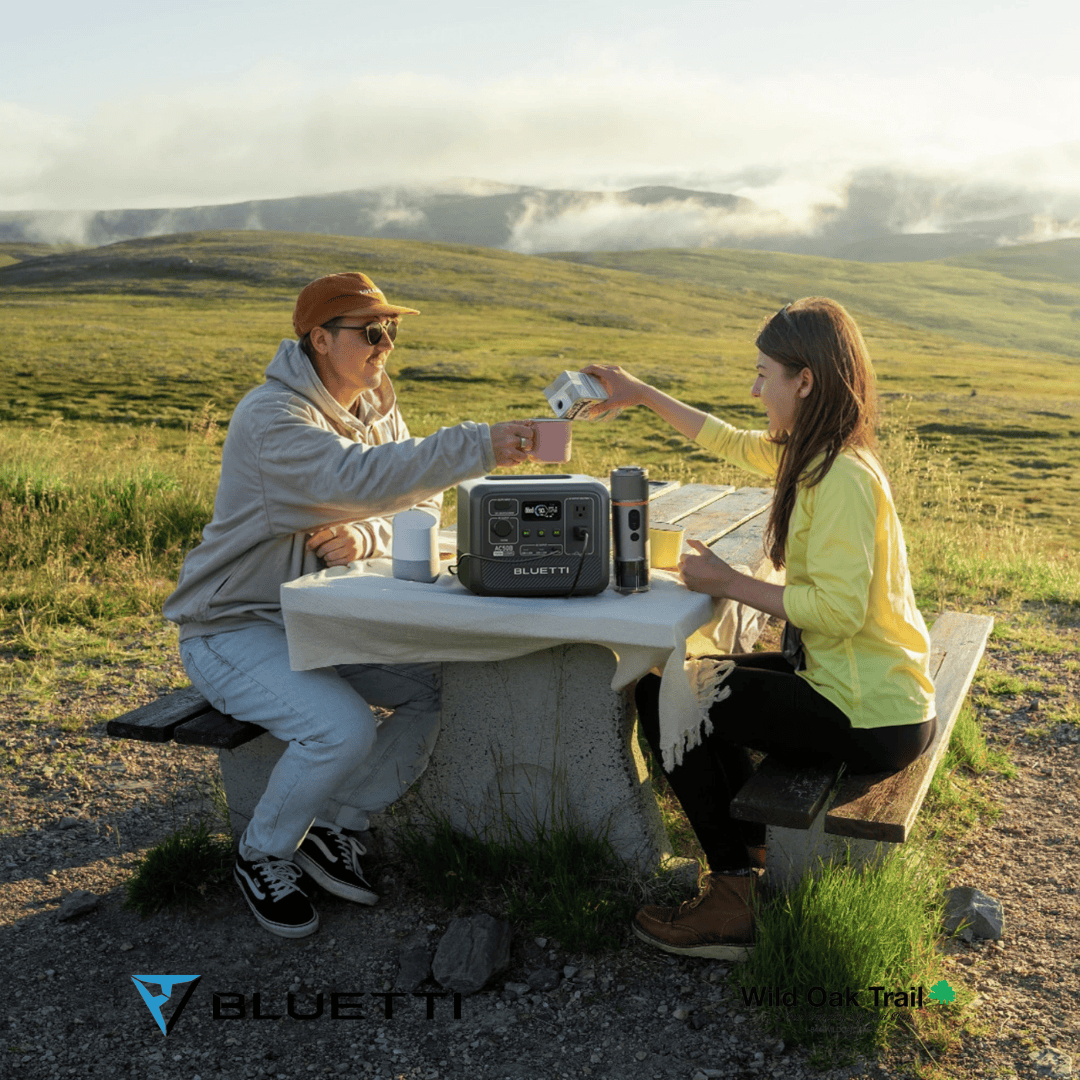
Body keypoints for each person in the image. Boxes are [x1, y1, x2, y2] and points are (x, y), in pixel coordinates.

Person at [164, 272, 537, 938]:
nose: (385, 345)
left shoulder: (374, 406)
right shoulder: (272, 418)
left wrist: (366, 533)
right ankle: (263, 852)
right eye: (370, 332)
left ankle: (335, 821)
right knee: (341, 727)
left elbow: (417, 499)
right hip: (234, 626)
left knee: (437, 689)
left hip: (319, 619)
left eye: (392, 330)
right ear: (319, 338)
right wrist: (478, 445)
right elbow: (358, 477)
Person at [580, 297, 936, 961]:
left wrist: (728, 583)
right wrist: (640, 394)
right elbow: (727, 440)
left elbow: (839, 612)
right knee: (680, 684)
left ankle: (734, 897)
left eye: (763, 372)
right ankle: (748, 848)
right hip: (856, 685)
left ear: (805, 380)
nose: (754, 388)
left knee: (669, 698)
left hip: (871, 711)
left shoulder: (842, 479)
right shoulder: (815, 456)